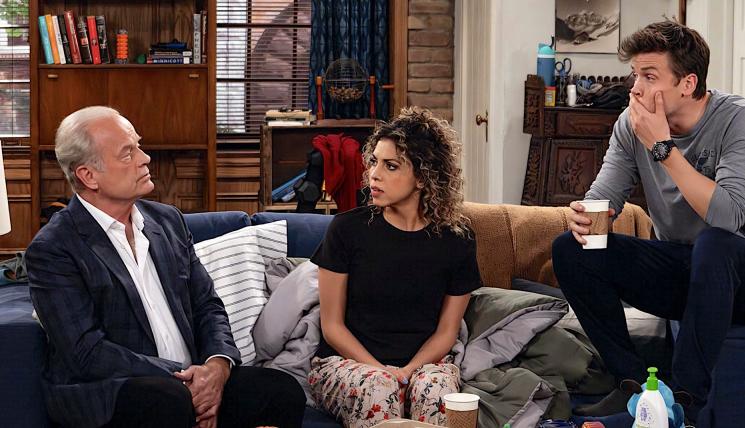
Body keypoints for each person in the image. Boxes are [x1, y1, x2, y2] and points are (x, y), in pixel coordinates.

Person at [551, 21, 745, 424]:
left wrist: (662, 148)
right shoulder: (631, 125)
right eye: (635, 75)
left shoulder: (740, 119)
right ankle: (632, 386)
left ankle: (684, 401)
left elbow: (728, 216)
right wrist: (587, 216)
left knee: (714, 243)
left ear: (687, 83)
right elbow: (603, 197)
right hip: (688, 270)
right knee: (570, 249)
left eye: (649, 77)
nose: (635, 88)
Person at [25, 106, 306, 428]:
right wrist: (183, 379)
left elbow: (208, 306)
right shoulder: (54, 247)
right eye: (128, 153)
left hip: (189, 378)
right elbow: (86, 352)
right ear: (89, 176)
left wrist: (216, 368)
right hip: (114, 388)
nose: (145, 158)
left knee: (280, 391)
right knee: (165, 402)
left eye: (139, 146)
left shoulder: (168, 221)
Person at [307, 107, 482, 427]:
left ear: (423, 176)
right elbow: (332, 326)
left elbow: (447, 332)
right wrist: (383, 372)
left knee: (434, 391)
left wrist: (408, 372)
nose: (374, 174)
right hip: (346, 364)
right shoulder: (346, 230)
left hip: (425, 366)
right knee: (379, 387)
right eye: (374, 161)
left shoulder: (457, 240)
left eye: (391, 166)